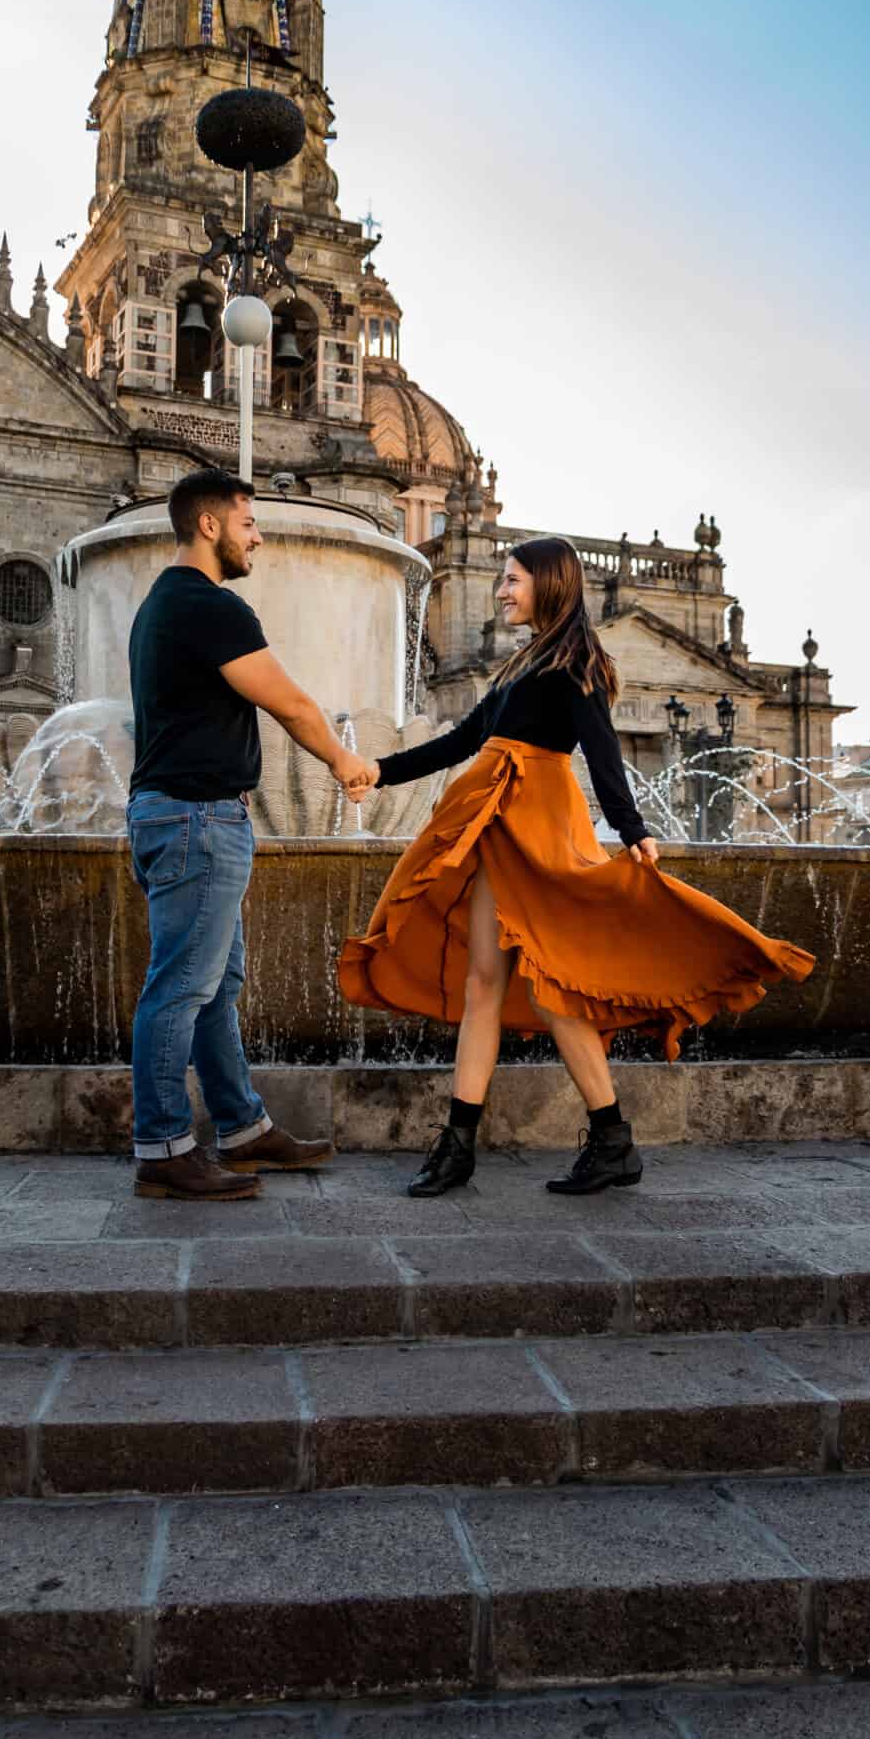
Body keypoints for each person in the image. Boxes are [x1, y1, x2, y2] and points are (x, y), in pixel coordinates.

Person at [339, 536, 815, 1198]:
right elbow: (462, 740)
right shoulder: (516, 667)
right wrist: (379, 772)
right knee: (484, 986)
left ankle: (611, 1140)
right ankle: (459, 1148)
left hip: (538, 830)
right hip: (494, 829)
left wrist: (632, 828)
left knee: (555, 987)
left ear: (548, 585)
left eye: (511, 581)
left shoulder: (575, 663)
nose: (501, 591)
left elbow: (601, 751)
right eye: (501, 580)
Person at [128, 468, 370, 1200]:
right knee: (179, 989)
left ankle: (241, 1128)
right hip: (198, 817)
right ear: (210, 525)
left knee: (214, 986)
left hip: (181, 812)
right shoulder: (211, 606)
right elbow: (291, 703)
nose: (257, 536)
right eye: (248, 522)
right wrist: (343, 760)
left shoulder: (161, 604)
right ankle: (164, 1148)